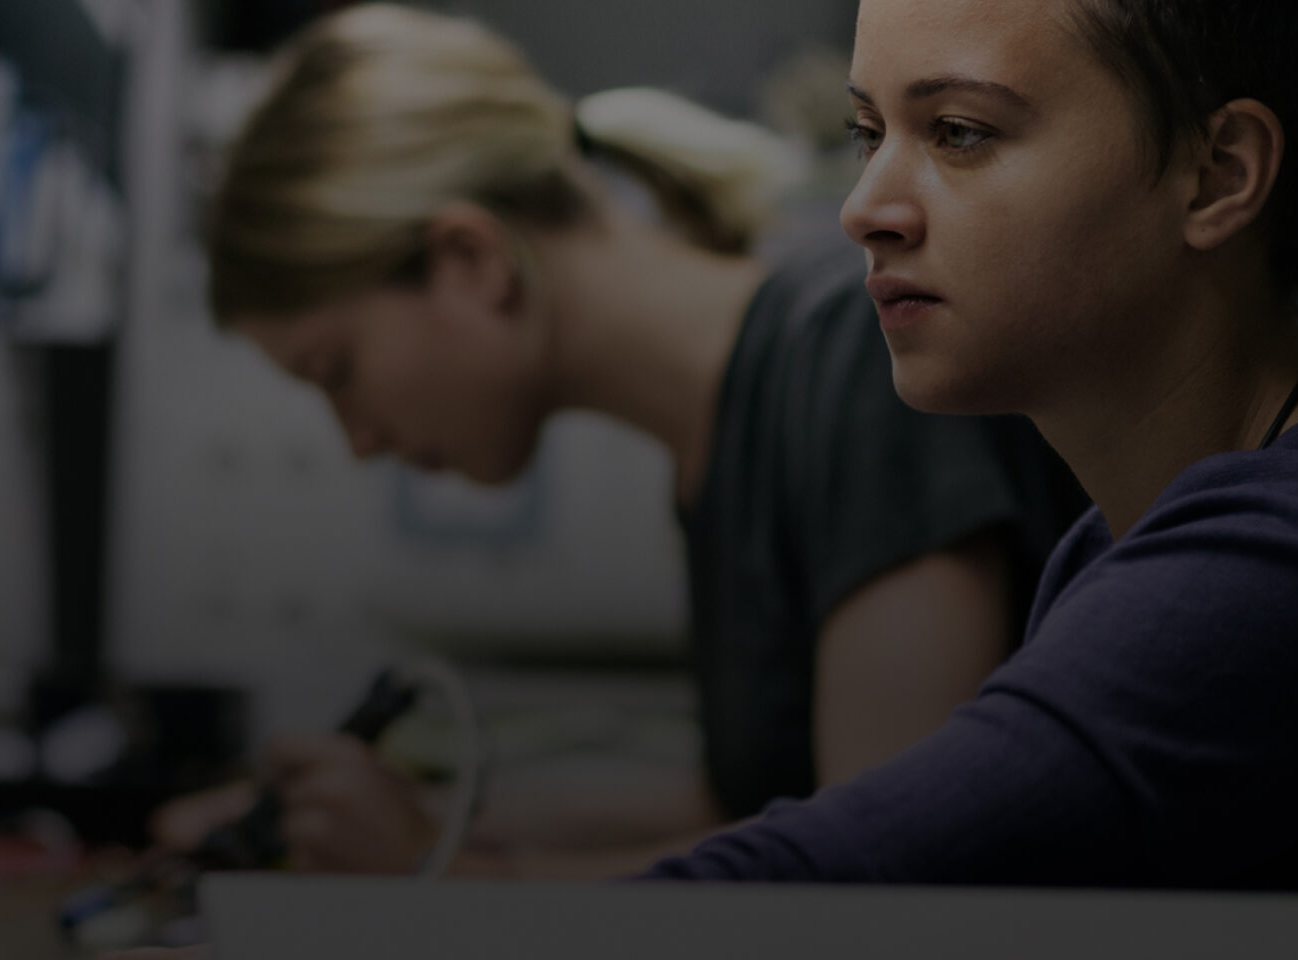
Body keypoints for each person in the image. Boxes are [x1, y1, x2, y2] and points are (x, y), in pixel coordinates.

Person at [636, 0, 1298, 900]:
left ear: (1217, 176)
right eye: (868, 132)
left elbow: (839, 886)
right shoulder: (1130, 540)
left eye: (957, 132)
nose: (865, 210)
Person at [149, 3, 1087, 881]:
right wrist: (410, 819)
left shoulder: (854, 359)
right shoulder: (730, 432)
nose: (356, 440)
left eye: (336, 370)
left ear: (471, 261)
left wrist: (438, 876)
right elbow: (748, 805)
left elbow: (873, 865)